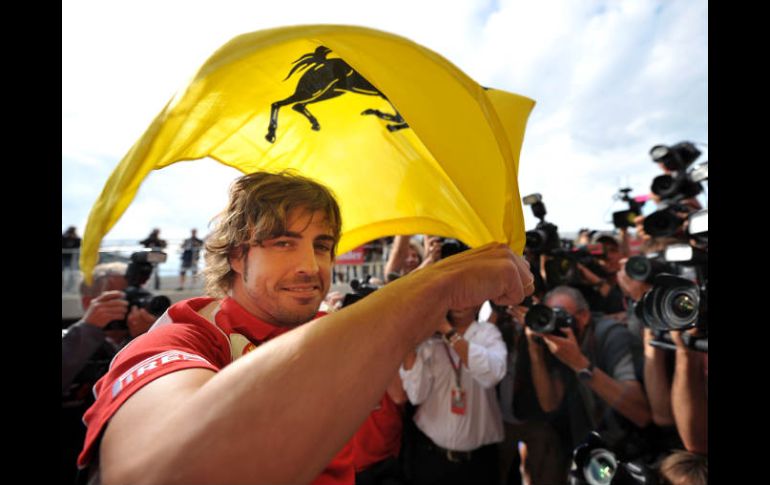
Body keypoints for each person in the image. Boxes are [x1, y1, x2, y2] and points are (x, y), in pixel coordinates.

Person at [76, 171, 535, 485]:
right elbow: (151, 474)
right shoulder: (181, 337)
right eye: (282, 243)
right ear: (237, 256)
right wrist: (433, 286)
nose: (310, 265)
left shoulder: (333, 329)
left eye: (322, 245)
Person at [525, 286, 651, 466]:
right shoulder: (556, 344)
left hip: (635, 451)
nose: (553, 323)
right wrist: (535, 352)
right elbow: (549, 403)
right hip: (595, 453)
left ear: (583, 316)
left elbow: (641, 413)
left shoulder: (612, 336)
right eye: (548, 316)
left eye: (559, 314)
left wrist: (579, 363)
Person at [61, 262, 157, 485]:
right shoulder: (70, 339)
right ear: (88, 302)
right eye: (122, 299)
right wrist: (88, 330)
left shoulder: (144, 342)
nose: (131, 306)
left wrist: (146, 340)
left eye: (136, 298)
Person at [400, 304, 507, 485]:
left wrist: (449, 333)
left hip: (478, 463)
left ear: (479, 302)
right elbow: (416, 395)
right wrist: (408, 340)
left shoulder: (487, 333)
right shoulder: (429, 339)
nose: (461, 302)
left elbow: (492, 374)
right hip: (431, 457)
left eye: (467, 295)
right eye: (455, 296)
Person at [62, 226, 82, 290]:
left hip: (72, 259)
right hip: (64, 258)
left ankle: (70, 286)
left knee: (72, 273)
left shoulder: (77, 239)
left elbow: (79, 245)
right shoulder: (63, 238)